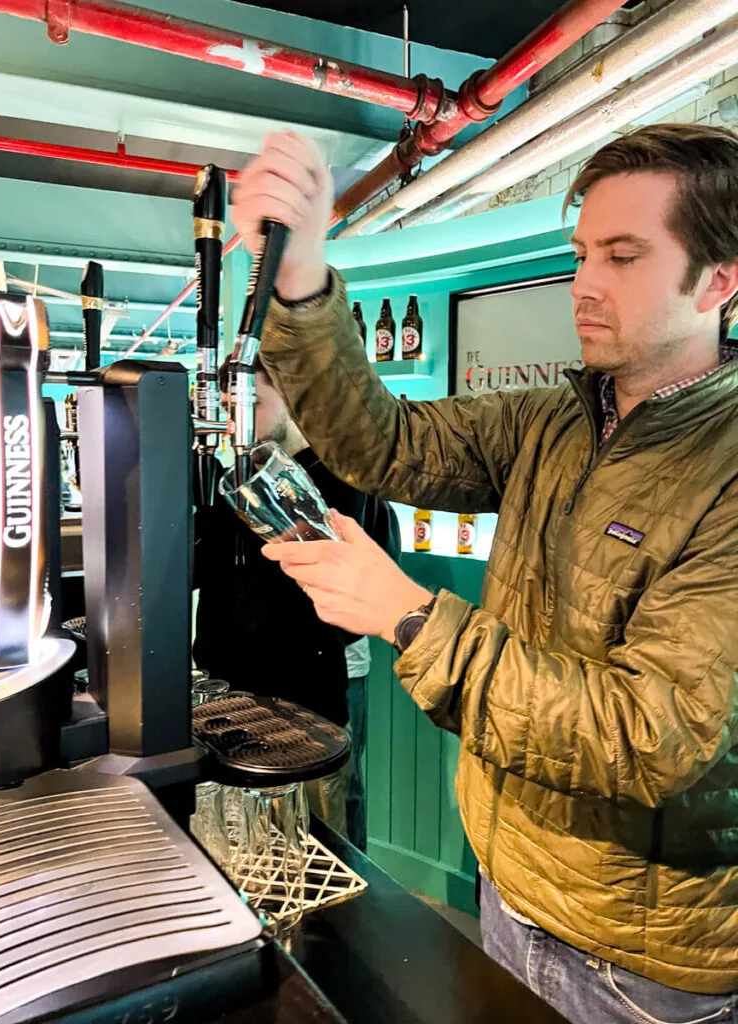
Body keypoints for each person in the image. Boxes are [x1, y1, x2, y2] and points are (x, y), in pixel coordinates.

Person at [229, 124, 738, 1023]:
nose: (584, 285)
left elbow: (649, 734)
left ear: (721, 280)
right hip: (510, 892)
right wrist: (303, 278)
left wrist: (413, 618)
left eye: (624, 257)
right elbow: (379, 442)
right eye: (582, 253)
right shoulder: (553, 419)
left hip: (642, 959)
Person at [193, 358, 400, 847]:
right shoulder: (231, 479)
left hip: (314, 688)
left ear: (292, 396)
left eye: (250, 405)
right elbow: (202, 573)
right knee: (253, 833)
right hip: (240, 690)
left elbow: (349, 596)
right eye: (226, 409)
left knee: (327, 826)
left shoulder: (341, 480)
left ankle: (343, 920)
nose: (233, 422)